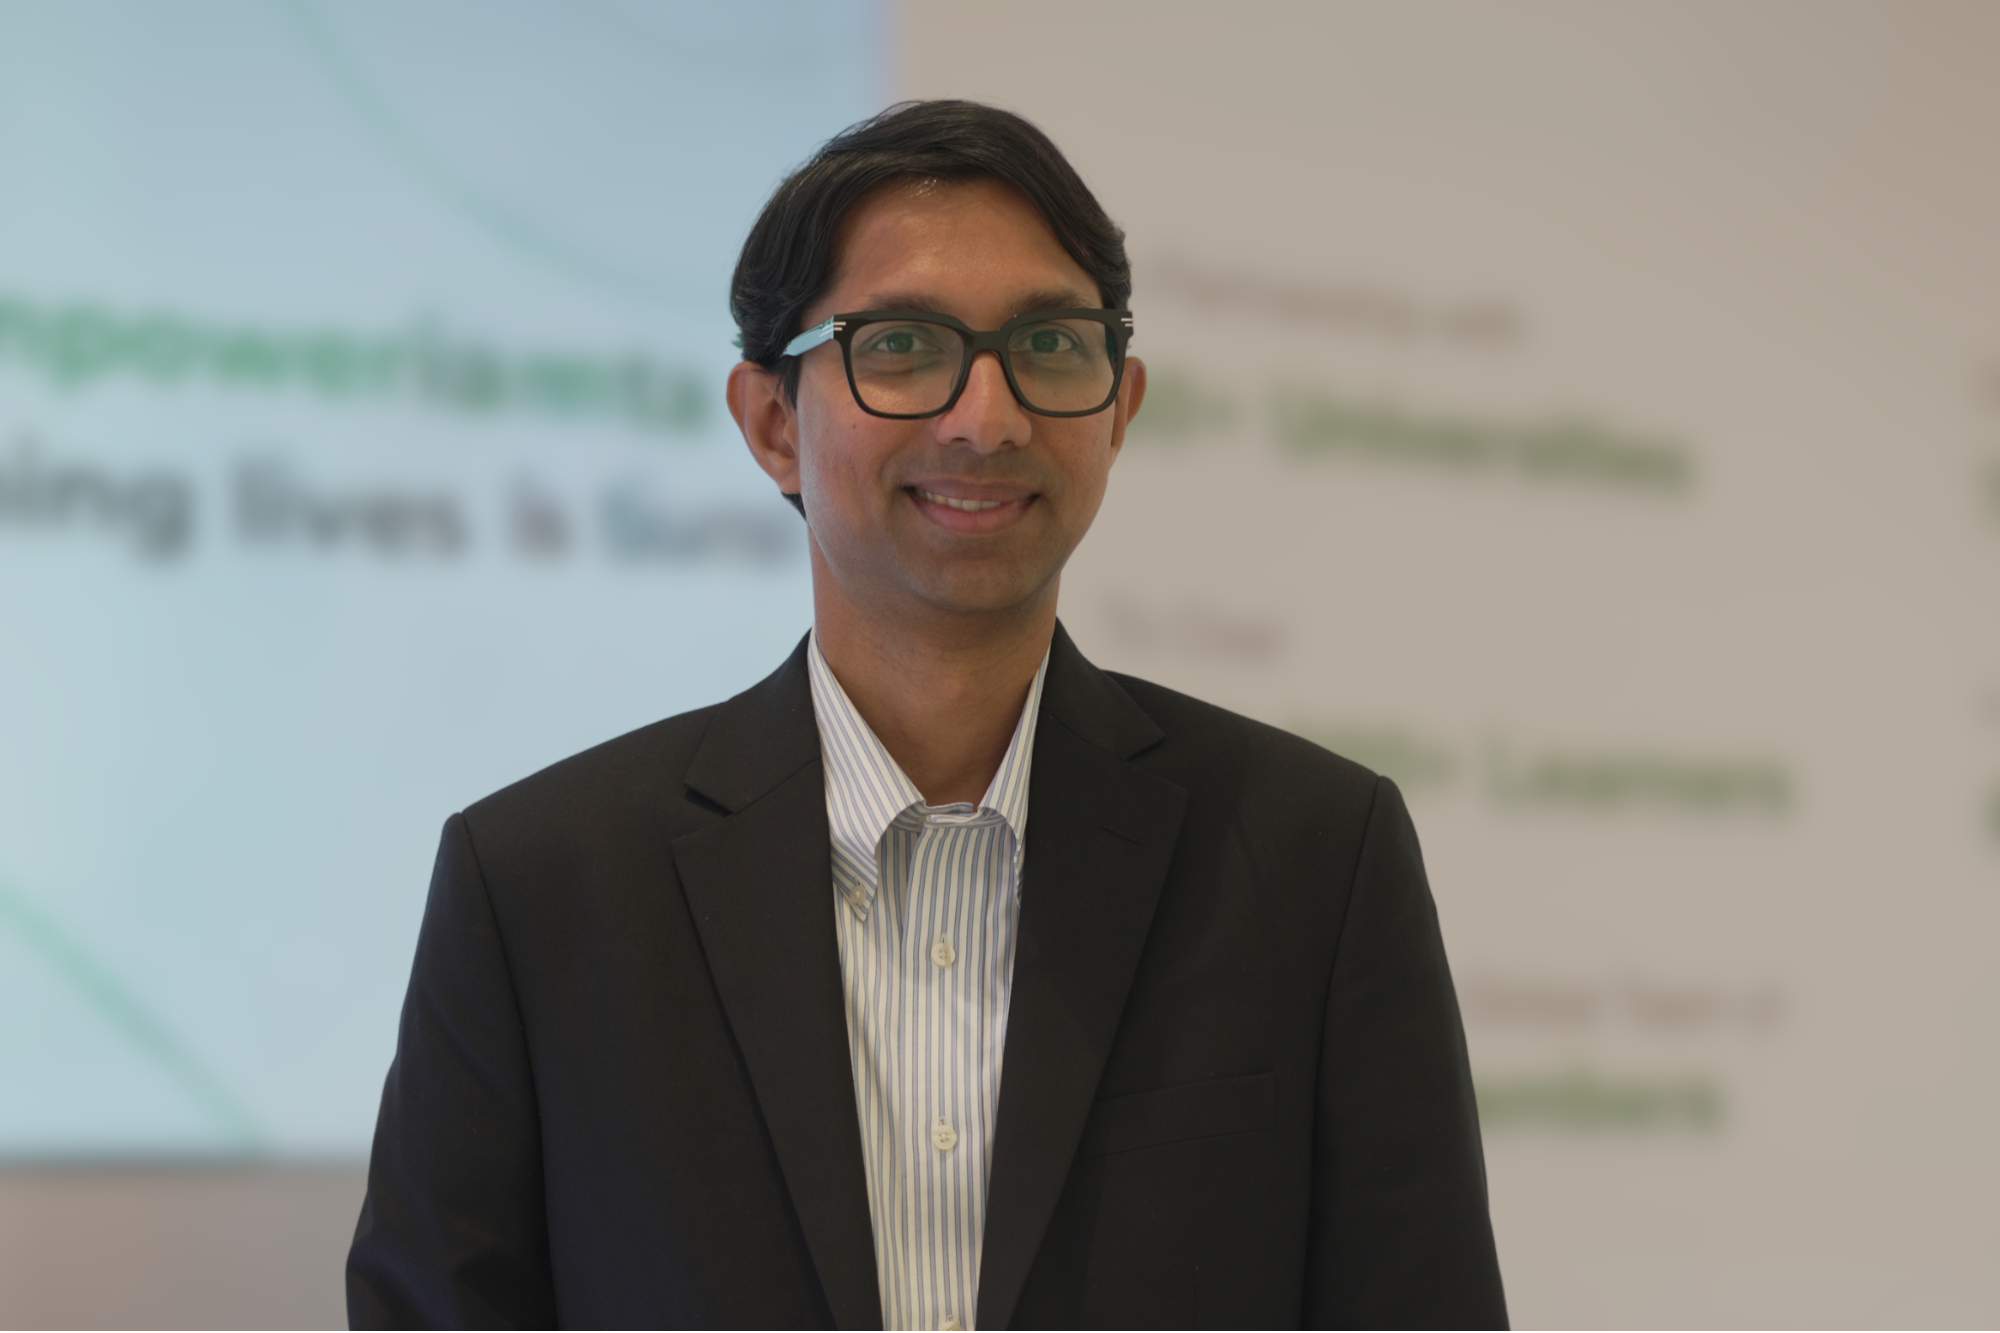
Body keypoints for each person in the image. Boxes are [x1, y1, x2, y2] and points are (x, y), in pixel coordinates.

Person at [346, 100, 1506, 1331]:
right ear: (772, 423)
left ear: (1118, 408)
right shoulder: (539, 889)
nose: (986, 417)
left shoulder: (1313, 858)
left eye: (1049, 344)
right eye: (900, 345)